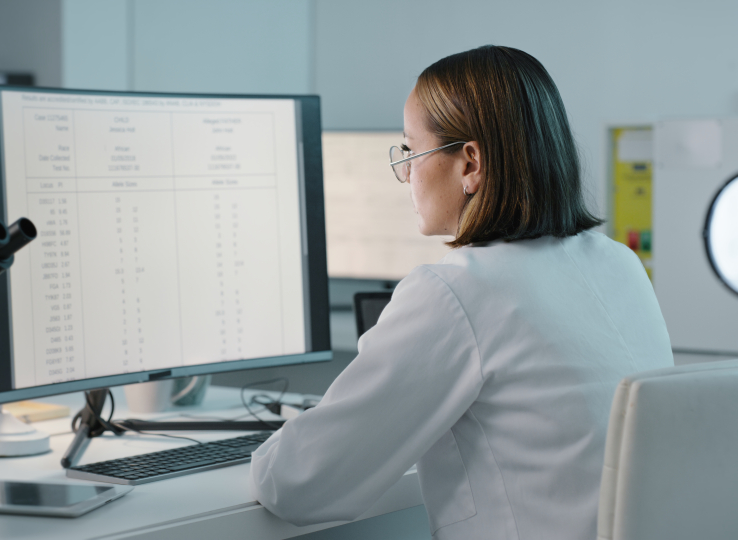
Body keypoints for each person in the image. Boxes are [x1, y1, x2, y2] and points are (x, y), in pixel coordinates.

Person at [249, 45, 673, 540]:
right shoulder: (619, 263)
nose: (406, 174)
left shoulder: (459, 290)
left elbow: (297, 484)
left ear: (470, 163)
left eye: (411, 152)